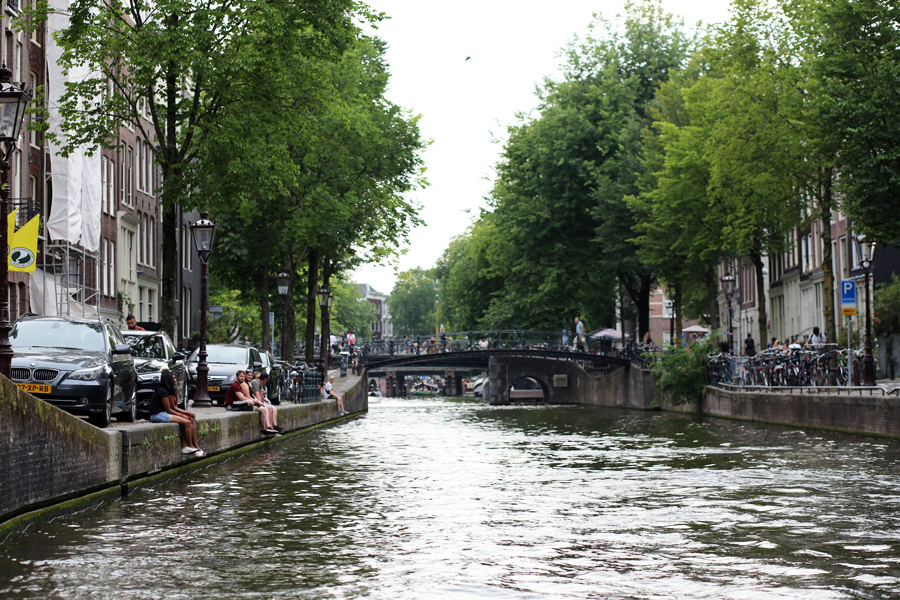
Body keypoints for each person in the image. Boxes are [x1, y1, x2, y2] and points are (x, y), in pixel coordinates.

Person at [148, 370, 205, 457]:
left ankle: (189, 446)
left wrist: (184, 414)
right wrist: (182, 416)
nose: (175, 380)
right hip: (157, 415)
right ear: (168, 380)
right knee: (186, 422)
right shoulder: (162, 392)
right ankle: (189, 447)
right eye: (173, 378)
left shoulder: (167, 391)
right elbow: (169, 410)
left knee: (187, 421)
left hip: (162, 413)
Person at [225, 370, 279, 435]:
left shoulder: (241, 385)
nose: (243, 378)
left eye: (243, 377)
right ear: (237, 377)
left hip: (239, 403)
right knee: (250, 402)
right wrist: (255, 401)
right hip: (231, 405)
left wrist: (257, 402)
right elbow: (242, 398)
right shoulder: (235, 385)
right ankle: (253, 409)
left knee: (263, 409)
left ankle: (267, 428)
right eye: (241, 376)